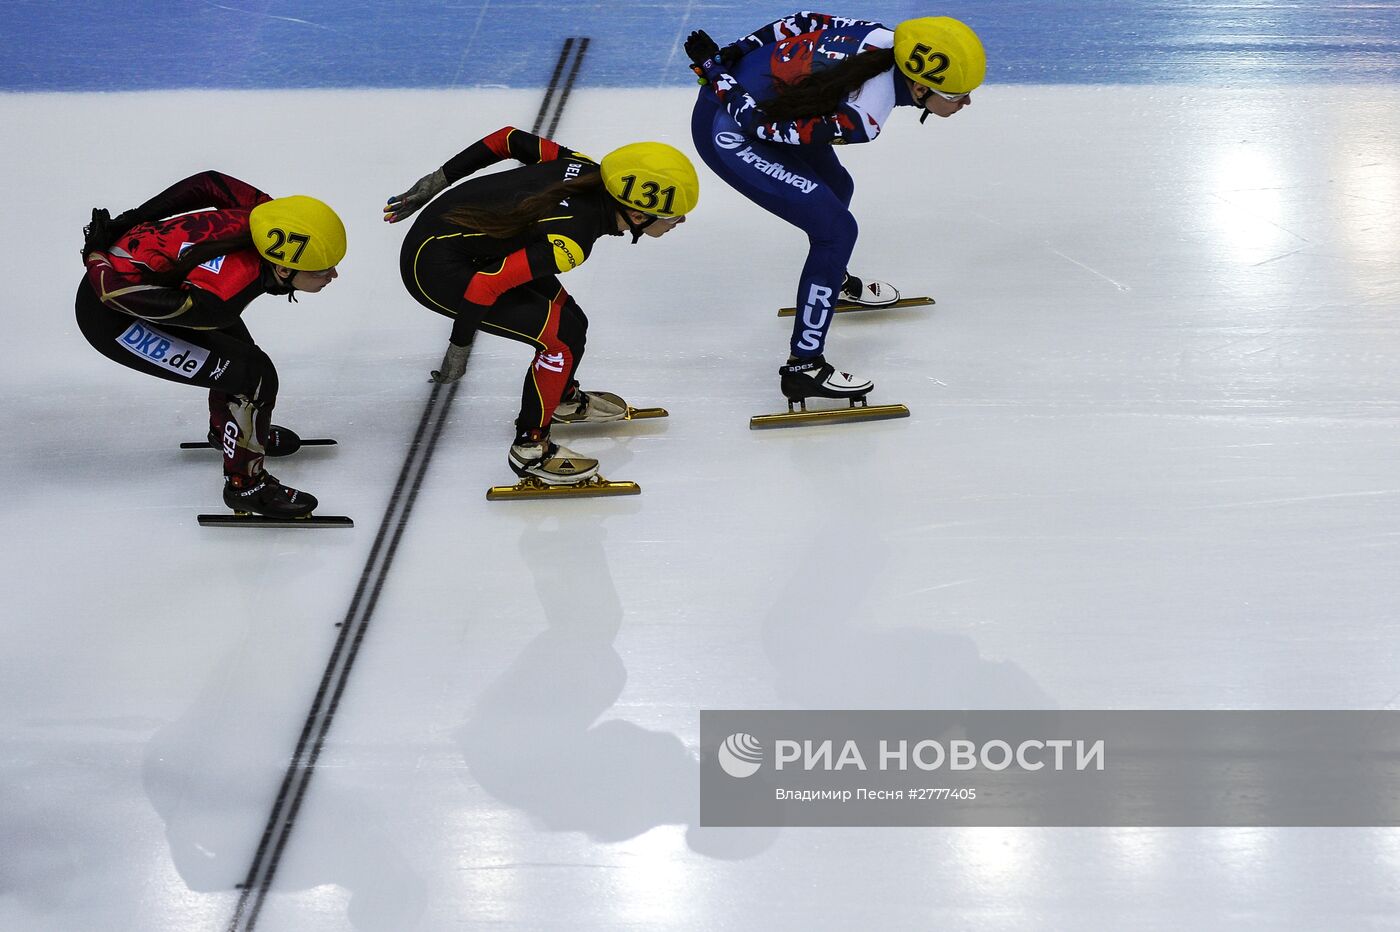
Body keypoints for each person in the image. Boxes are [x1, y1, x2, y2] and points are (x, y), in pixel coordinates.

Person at [685, 14, 985, 404]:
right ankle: (803, 367)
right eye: (956, 94)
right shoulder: (866, 116)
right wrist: (715, 70)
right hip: (730, 124)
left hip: (762, 101)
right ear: (919, 87)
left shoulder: (886, 38)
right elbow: (759, 126)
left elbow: (799, 21)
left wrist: (734, 53)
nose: (967, 101)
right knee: (837, 231)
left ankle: (830, 281)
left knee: (838, 187)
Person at [384, 126, 698, 486]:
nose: (680, 221)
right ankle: (530, 447)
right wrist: (459, 348)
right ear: (639, 215)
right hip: (436, 269)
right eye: (674, 215)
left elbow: (506, 139)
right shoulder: (572, 240)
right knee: (559, 340)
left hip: (465, 242)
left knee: (572, 322)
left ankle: (560, 396)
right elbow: (487, 283)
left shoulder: (582, 167)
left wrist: (437, 181)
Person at [77, 172, 346, 518]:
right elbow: (114, 294)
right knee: (253, 375)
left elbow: (207, 183)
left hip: (155, 287)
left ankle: (228, 432)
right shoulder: (221, 295)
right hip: (113, 317)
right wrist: (97, 255)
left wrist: (133, 219)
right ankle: (246, 487)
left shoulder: (267, 213)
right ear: (282, 268)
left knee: (240, 360)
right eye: (322, 269)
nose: (333, 275)